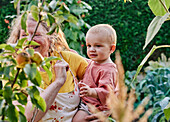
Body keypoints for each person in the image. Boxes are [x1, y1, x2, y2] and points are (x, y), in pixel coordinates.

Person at [7, 13, 89, 122]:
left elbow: (105, 78)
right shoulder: (15, 71)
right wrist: (58, 82)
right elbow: (28, 118)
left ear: (51, 37)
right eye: (24, 35)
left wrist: (100, 112)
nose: (30, 40)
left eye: (36, 34)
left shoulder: (69, 59)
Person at [72, 24, 119, 122]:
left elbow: (107, 92)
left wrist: (91, 92)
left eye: (98, 46)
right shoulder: (95, 62)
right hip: (86, 101)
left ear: (111, 49)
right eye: (89, 45)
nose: (92, 49)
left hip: (94, 107)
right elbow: (86, 62)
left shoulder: (108, 70)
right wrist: (74, 56)